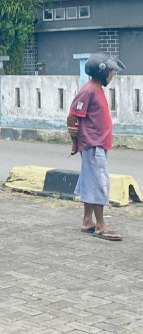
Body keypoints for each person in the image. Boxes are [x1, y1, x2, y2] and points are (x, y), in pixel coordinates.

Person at [67, 53, 125, 241]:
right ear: (100, 72)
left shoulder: (97, 89)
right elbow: (73, 116)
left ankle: (87, 221)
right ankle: (100, 225)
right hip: (93, 144)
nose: (112, 75)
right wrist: (75, 143)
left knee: (89, 182)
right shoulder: (89, 90)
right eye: (110, 71)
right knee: (100, 183)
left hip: (98, 144)